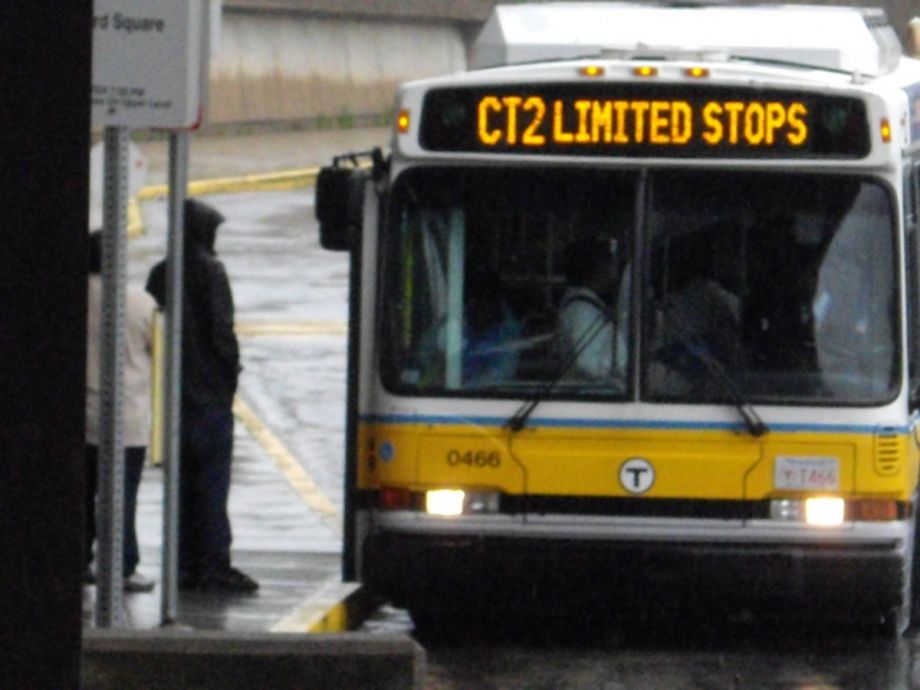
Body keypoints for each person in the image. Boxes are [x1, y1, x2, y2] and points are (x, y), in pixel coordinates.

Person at [146, 198, 258, 593]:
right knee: (211, 485)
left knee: (180, 485)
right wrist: (229, 378)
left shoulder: (160, 274)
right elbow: (222, 334)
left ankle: (184, 563)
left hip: (170, 399)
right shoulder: (212, 271)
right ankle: (213, 563)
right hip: (208, 398)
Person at [84, 230, 156, 593]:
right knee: (122, 495)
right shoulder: (140, 303)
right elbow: (161, 349)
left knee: (81, 492)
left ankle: (80, 558)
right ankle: (123, 565)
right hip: (127, 418)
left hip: (82, 416)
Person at [556, 238, 619, 382]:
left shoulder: (586, 304)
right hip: (589, 395)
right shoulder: (582, 310)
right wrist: (621, 368)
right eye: (609, 266)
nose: (612, 274)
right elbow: (588, 363)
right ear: (596, 270)